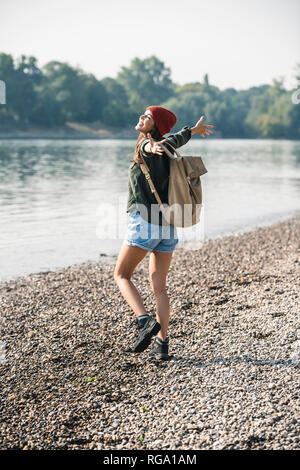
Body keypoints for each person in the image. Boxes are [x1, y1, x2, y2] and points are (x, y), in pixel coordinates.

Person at [114, 106, 213, 360]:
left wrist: (154, 145)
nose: (141, 117)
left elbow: (157, 145)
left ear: (155, 125)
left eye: (147, 117)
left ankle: (144, 320)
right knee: (159, 287)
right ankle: (162, 346)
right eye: (142, 114)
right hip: (168, 227)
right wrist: (193, 130)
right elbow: (175, 139)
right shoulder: (167, 147)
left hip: (145, 222)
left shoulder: (150, 146)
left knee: (122, 275)